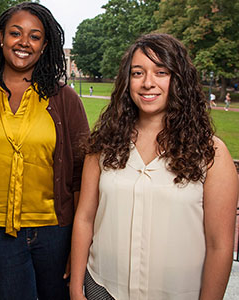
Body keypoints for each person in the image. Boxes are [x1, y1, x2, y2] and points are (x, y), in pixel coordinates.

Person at [70, 33, 238, 300]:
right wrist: (76, 289)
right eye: (138, 73)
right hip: (103, 288)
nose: (148, 83)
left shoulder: (211, 152)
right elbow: (84, 218)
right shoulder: (103, 144)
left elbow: (220, 246)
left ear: (178, 80)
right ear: (128, 81)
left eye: (161, 72)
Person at [0, 2, 89, 300]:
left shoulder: (65, 99)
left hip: (57, 233)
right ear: (1, 37)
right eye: (16, 33)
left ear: (44, 46)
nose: (24, 43)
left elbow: (82, 177)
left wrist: (79, 249)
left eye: (35, 36)